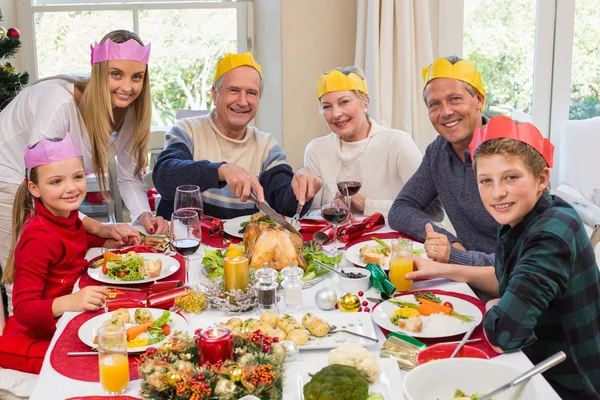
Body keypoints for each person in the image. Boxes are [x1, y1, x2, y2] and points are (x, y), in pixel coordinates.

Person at [406, 116, 600, 399]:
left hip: (565, 384)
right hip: (533, 361)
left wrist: (495, 306)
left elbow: (503, 335)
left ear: (542, 179)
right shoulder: (526, 214)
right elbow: (504, 276)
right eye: (486, 180)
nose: (497, 193)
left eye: (511, 177)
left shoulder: (551, 235)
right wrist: (440, 268)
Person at [0, 30, 168, 319]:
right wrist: (96, 227)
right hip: (13, 180)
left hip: (48, 185)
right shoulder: (59, 103)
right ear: (100, 71)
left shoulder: (130, 111)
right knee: (23, 283)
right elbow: (42, 181)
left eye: (136, 77)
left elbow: (128, 179)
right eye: (117, 74)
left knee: (66, 278)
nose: (127, 87)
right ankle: (20, 351)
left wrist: (145, 217)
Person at [153, 52, 322, 220]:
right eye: (234, 90)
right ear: (215, 94)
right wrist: (222, 171)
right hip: (183, 241)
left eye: (251, 93)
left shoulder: (266, 146)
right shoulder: (187, 130)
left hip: (239, 246)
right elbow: (164, 176)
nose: (242, 101)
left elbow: (285, 204)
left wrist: (302, 188)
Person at [0, 134, 111, 374]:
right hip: (38, 336)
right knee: (102, 362)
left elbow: (75, 241)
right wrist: (71, 301)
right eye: (56, 182)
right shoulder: (38, 237)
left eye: (78, 177)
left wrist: (107, 238)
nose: (71, 188)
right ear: (34, 188)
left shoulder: (67, 216)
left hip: (68, 319)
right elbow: (23, 310)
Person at [388, 56, 497, 266]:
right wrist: (448, 241)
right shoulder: (438, 151)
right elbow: (401, 208)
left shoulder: (512, 151)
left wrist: (457, 256)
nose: (445, 112)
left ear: (479, 100)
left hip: (513, 283)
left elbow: (523, 260)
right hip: (464, 273)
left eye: (455, 99)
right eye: (435, 104)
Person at [305, 66, 441, 218]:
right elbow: (309, 214)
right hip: (338, 241)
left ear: (365, 104)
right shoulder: (316, 150)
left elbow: (433, 211)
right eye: (327, 107)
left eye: (344, 102)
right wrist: (330, 208)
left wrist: (367, 205)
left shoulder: (396, 142)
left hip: (394, 241)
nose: (336, 114)